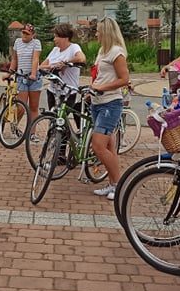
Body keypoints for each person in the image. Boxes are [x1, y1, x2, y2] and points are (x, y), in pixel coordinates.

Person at [88, 17, 129, 200]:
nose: (96, 34)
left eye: (98, 30)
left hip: (110, 103)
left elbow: (124, 79)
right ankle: (113, 184)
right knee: (109, 147)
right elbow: (100, 76)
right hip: (97, 102)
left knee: (98, 146)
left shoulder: (116, 52)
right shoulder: (102, 51)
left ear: (106, 32)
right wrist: (92, 89)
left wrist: (101, 88)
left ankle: (118, 184)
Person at [39, 22, 86, 113]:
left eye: (56, 36)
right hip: (53, 91)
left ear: (65, 37)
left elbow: (81, 58)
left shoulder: (74, 47)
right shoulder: (55, 50)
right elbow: (41, 66)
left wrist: (65, 62)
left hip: (68, 92)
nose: (54, 39)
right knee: (52, 117)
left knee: (61, 118)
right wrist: (54, 66)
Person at [5, 23, 42, 124]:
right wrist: (10, 73)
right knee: (21, 106)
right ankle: (15, 124)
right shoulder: (18, 42)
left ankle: (32, 131)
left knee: (33, 107)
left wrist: (33, 74)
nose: (25, 35)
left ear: (33, 35)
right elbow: (14, 59)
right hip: (21, 76)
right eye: (23, 33)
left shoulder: (36, 43)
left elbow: (35, 59)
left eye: (27, 34)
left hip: (34, 77)